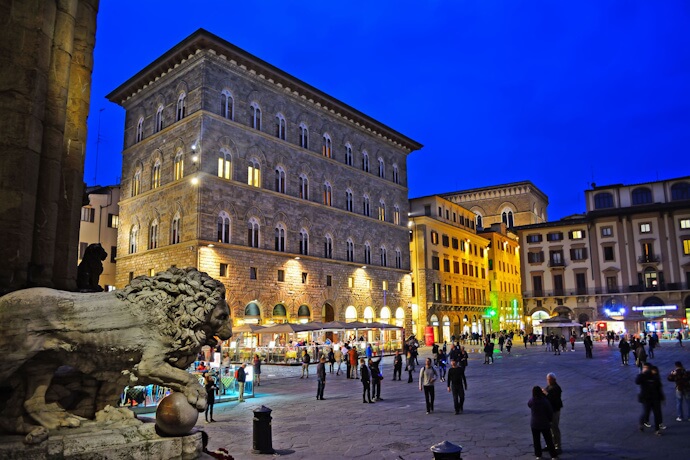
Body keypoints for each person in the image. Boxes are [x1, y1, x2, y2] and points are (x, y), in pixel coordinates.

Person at [528, 385, 558, 459]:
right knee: (549, 440)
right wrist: (550, 421)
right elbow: (550, 412)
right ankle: (553, 456)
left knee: (536, 441)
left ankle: (538, 455)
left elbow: (529, 404)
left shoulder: (532, 400)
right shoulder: (545, 401)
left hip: (534, 424)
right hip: (544, 424)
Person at [636, 363, 666, 435]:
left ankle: (657, 429)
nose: (644, 369)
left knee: (657, 414)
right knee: (646, 412)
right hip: (646, 398)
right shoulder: (643, 376)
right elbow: (637, 381)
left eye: (646, 367)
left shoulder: (655, 376)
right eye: (644, 367)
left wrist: (662, 397)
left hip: (655, 398)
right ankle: (641, 423)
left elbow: (659, 387)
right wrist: (642, 373)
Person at [544, 373, 563, 455]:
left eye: (549, 379)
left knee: (554, 428)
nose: (547, 381)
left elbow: (552, 398)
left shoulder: (556, 388)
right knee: (550, 429)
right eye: (547, 379)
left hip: (554, 410)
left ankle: (557, 446)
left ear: (553, 379)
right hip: (549, 410)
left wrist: (545, 393)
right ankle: (550, 444)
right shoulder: (549, 386)